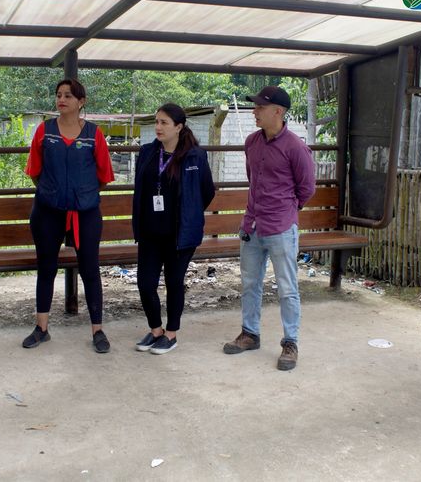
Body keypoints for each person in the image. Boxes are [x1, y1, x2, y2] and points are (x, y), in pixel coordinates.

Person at [223, 86, 315, 371]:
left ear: (278, 111)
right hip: (252, 225)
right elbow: (254, 179)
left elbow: (306, 189)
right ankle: (250, 334)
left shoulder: (296, 147)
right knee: (250, 284)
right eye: (255, 107)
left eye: (260, 107)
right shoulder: (252, 142)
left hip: (281, 227)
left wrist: (286, 210)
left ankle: (290, 343)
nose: (255, 111)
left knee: (287, 288)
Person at [22, 79, 115, 353]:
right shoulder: (44, 131)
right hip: (47, 211)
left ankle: (98, 330)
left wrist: (80, 194)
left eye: (68, 96)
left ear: (81, 102)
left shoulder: (94, 134)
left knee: (90, 269)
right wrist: (54, 193)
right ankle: (41, 328)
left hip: (85, 212)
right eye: (59, 95)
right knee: (46, 268)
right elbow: (35, 171)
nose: (62, 100)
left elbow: (103, 176)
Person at [132, 103, 215, 354]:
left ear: (179, 127)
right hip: (150, 231)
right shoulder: (147, 152)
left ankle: (171, 333)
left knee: (174, 281)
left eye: (164, 122)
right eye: (156, 121)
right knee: (145, 283)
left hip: (180, 234)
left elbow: (207, 191)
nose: (158, 127)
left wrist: (189, 213)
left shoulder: (195, 156)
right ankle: (156, 330)